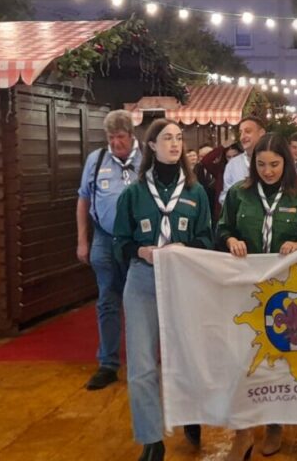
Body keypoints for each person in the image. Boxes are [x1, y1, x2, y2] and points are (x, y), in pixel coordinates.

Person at [112, 119, 213, 461]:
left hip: (185, 281)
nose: (175, 143)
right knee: (141, 365)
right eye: (167, 138)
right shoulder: (133, 193)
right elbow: (119, 242)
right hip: (143, 280)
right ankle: (151, 438)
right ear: (151, 146)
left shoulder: (196, 191)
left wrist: (185, 249)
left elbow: (207, 238)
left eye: (179, 138)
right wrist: (140, 251)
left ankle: (191, 414)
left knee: (188, 357)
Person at [217, 133, 297, 460]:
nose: (268, 170)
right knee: (241, 358)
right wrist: (231, 239)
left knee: (276, 359)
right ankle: (243, 431)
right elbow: (222, 229)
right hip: (244, 289)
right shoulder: (238, 195)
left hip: (285, 294)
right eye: (261, 164)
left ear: (286, 164)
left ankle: (275, 423)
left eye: (275, 164)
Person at [76, 109, 142, 391]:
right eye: (111, 138)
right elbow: (83, 200)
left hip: (137, 242)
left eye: (121, 137)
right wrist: (82, 240)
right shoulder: (96, 160)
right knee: (107, 299)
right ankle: (108, 363)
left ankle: (141, 361)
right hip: (104, 238)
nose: (116, 143)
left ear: (131, 135)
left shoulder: (146, 161)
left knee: (139, 300)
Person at [220, 116, 267, 206]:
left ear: (261, 133)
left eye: (248, 131)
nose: (242, 137)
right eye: (241, 133)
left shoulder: (275, 161)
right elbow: (226, 196)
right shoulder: (232, 165)